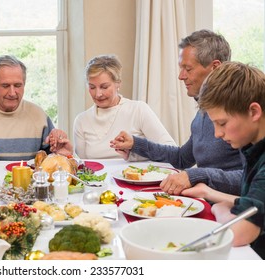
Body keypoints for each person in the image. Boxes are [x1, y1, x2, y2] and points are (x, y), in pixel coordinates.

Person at [110, 29, 243, 196]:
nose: (181, 76)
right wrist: (135, 144)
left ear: (215, 67)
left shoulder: (241, 112)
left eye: (188, 68)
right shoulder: (202, 112)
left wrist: (196, 175)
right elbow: (182, 158)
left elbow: (252, 179)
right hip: (205, 200)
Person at [182, 61, 265, 258]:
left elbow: (239, 233)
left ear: (254, 112)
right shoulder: (253, 148)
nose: (217, 134)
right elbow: (255, 203)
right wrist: (208, 192)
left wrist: (220, 209)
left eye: (222, 123)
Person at [73, 54, 176, 160]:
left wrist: (133, 153)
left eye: (104, 87)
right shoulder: (81, 121)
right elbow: (84, 166)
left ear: (118, 84)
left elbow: (171, 150)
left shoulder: (138, 110)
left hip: (137, 176)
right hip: (99, 176)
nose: (98, 94)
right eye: (92, 87)